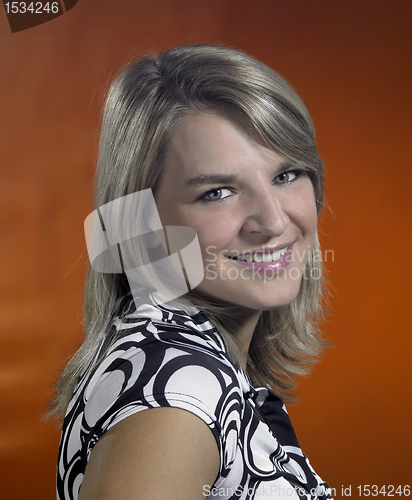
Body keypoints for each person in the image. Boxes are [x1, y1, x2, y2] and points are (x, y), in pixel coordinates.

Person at [51, 44, 333, 499]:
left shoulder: (180, 359)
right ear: (142, 226)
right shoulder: (179, 396)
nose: (275, 221)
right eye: (218, 192)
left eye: (287, 175)